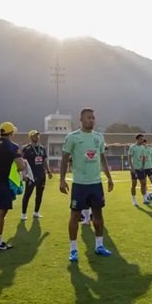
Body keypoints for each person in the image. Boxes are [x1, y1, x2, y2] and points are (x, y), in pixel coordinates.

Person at [60, 108, 115, 262]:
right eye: (88, 117)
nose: (91, 120)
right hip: (80, 184)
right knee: (75, 216)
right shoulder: (72, 137)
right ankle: (73, 250)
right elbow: (64, 158)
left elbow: (102, 158)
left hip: (96, 183)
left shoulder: (99, 137)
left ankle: (99, 246)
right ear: (81, 120)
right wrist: (62, 179)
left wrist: (109, 178)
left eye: (93, 118)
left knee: (98, 215)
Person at [0, 122, 25, 250]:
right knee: (1, 211)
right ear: (12, 133)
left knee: (1, 210)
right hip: (4, 183)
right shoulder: (13, 147)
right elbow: (21, 166)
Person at [21, 129, 53, 220]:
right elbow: (23, 162)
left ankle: (36, 212)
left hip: (41, 175)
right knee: (27, 194)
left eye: (37, 135)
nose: (37, 137)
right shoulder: (26, 148)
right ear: (30, 137)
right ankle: (23, 214)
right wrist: (24, 174)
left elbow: (44, 160)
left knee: (39, 195)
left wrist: (49, 171)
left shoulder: (42, 148)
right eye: (35, 135)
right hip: (31, 175)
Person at [128, 133, 149, 206]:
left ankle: (145, 199)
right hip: (134, 169)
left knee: (143, 183)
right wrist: (132, 168)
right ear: (137, 139)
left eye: (143, 139)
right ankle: (134, 200)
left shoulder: (143, 147)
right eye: (141, 139)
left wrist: (143, 166)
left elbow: (143, 157)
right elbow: (129, 158)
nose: (142, 140)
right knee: (134, 184)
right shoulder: (132, 147)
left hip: (141, 169)